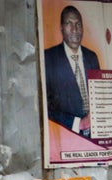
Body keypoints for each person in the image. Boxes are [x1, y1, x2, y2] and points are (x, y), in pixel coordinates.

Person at [43, 5, 100, 137]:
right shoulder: (48, 58)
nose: (75, 30)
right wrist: (78, 124)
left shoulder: (92, 57)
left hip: (95, 135)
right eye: (69, 24)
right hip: (66, 136)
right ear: (61, 28)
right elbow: (45, 106)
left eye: (78, 24)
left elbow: (99, 95)